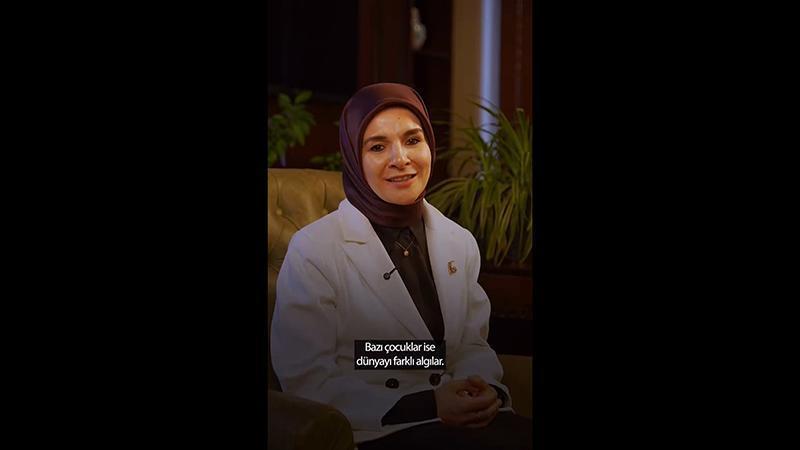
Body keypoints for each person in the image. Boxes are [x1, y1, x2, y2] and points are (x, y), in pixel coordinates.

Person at [270, 83, 531, 449]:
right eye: (377, 147)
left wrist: (484, 388)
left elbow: (470, 346)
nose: (401, 159)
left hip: (468, 421)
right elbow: (308, 380)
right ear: (354, 158)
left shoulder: (459, 241)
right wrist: (428, 403)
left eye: (412, 140)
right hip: (379, 426)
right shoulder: (313, 249)